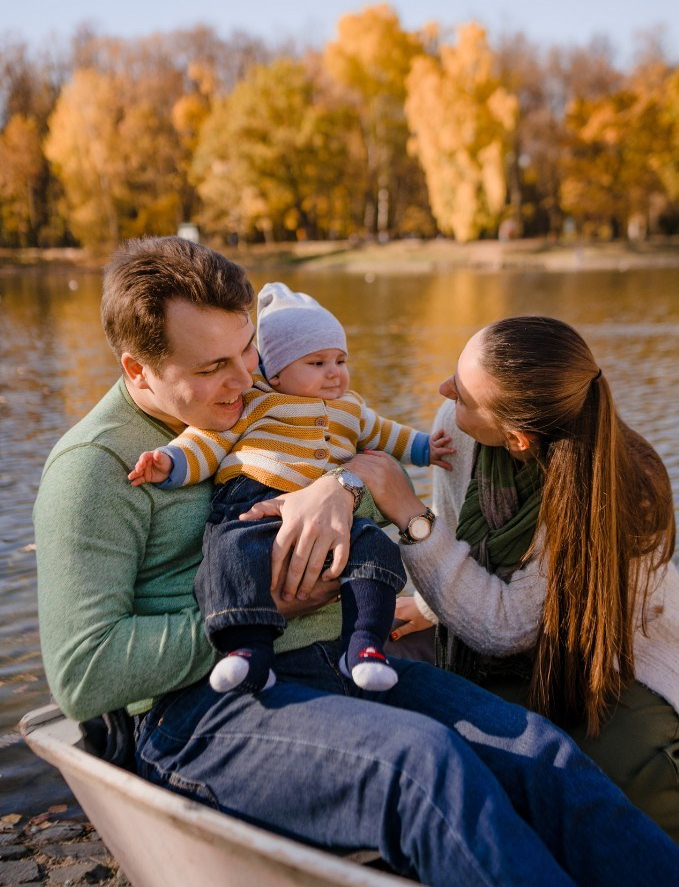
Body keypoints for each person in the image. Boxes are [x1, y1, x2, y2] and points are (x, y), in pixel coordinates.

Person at [33, 238, 679, 886]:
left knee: (541, 753)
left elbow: (360, 468)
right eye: (211, 367)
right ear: (138, 369)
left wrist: (339, 490)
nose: (243, 377)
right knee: (422, 767)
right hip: (203, 712)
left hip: (337, 666)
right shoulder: (95, 468)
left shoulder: (262, 403)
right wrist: (258, 614)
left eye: (247, 349)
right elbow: (85, 675)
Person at [350, 316, 679, 844]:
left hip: (605, 654)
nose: (443, 390)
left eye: (461, 394)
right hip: (523, 636)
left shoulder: (603, 488)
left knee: (605, 779)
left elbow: (508, 627)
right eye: (456, 372)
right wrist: (431, 608)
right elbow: (461, 545)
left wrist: (410, 516)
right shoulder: (457, 429)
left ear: (518, 439)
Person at [127, 281, 451, 695]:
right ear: (275, 373)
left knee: (374, 548)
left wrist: (426, 449)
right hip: (252, 503)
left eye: (340, 359)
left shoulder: (351, 407)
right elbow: (206, 443)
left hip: (329, 512)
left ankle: (365, 645)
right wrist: (169, 462)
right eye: (316, 363)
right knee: (229, 555)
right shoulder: (255, 404)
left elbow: (389, 435)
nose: (334, 372)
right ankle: (247, 650)